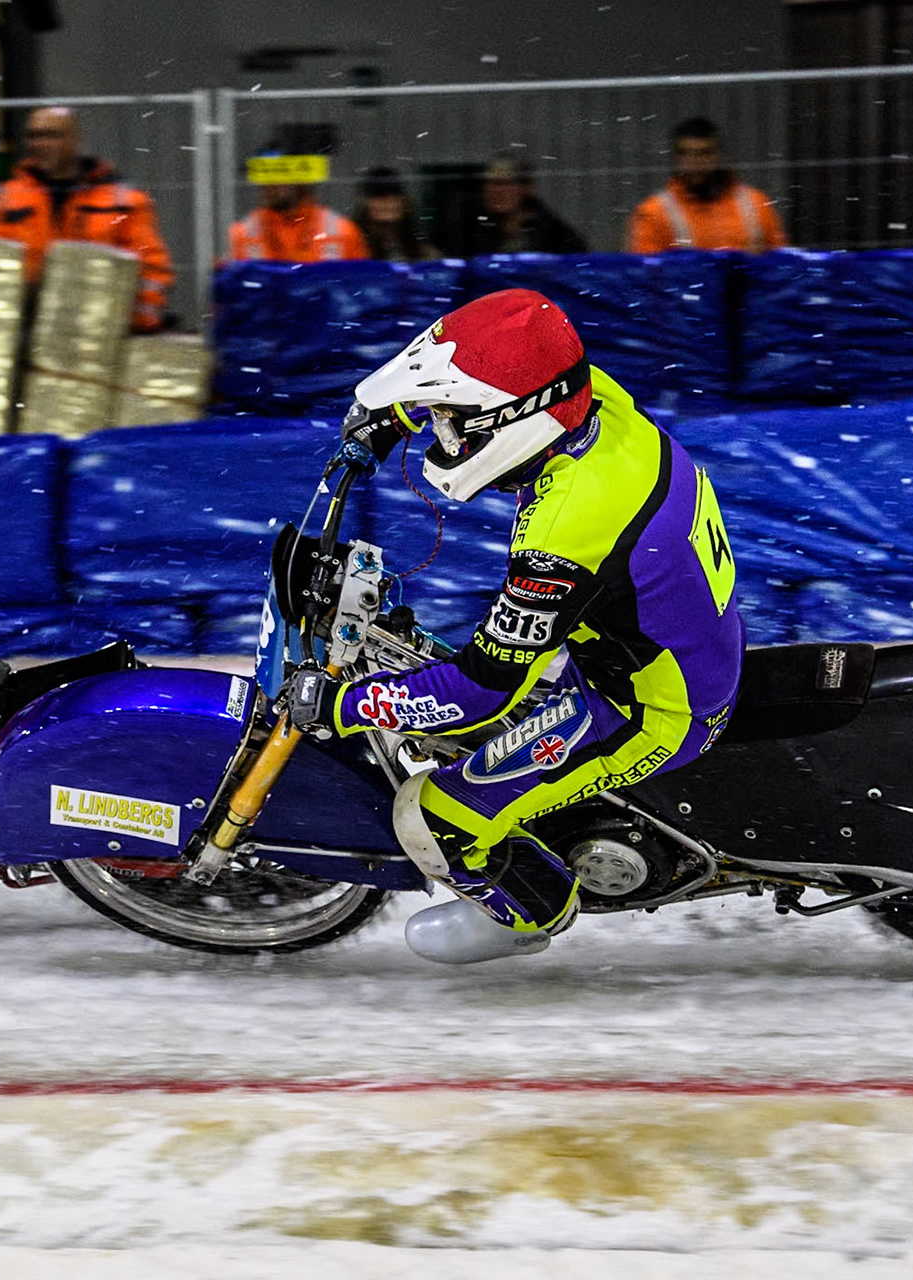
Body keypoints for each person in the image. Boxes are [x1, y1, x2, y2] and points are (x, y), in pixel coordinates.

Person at [286, 289, 745, 964]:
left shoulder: (565, 535)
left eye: (453, 423)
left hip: (652, 708)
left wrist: (344, 706)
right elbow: (508, 383)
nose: (445, 436)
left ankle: (530, 917)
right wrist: (395, 418)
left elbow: (480, 688)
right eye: (441, 420)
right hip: (661, 635)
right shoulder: (590, 401)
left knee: (432, 817)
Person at [0, 105, 176, 333]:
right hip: (26, 331)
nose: (39, 144)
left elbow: (152, 268)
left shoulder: (123, 200)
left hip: (100, 331)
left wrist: (135, 325)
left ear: (73, 140)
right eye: (34, 136)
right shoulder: (7, 199)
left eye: (51, 135)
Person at [626, 117, 786, 254]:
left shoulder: (756, 204)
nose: (695, 162)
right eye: (686, 153)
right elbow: (645, 274)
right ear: (675, 158)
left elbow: (781, 263)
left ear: (719, 155)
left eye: (704, 153)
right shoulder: (654, 213)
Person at [225, 149, 368, 263]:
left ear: (301, 180)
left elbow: (359, 289)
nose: (270, 184)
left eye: (281, 173)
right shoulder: (241, 234)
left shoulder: (344, 232)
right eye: (265, 176)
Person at [442, 158, 587, 258]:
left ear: (526, 188)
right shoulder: (469, 225)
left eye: (503, 183)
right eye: (490, 183)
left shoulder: (552, 231)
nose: (495, 191)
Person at [353, 166, 436, 262]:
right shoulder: (353, 249)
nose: (386, 203)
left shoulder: (424, 253)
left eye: (393, 196)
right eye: (378, 196)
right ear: (365, 203)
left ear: (404, 202)